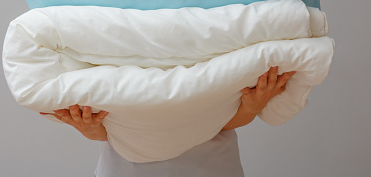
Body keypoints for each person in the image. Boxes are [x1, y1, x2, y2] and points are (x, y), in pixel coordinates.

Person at [41, 66, 296, 176]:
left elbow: (225, 122)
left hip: (211, 170)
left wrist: (252, 105)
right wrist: (89, 127)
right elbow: (108, 133)